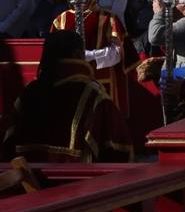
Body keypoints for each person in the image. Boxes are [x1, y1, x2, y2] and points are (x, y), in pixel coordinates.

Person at [0, 29, 132, 163]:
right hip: (79, 181)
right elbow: (119, 149)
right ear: (78, 55)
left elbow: (7, 143)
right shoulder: (94, 96)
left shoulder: (28, 92)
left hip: (28, 179)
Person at [50, 0, 130, 113]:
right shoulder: (60, 20)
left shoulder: (108, 18)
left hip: (101, 82)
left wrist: (90, 56)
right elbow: (53, 55)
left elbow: (117, 53)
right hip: (69, 82)